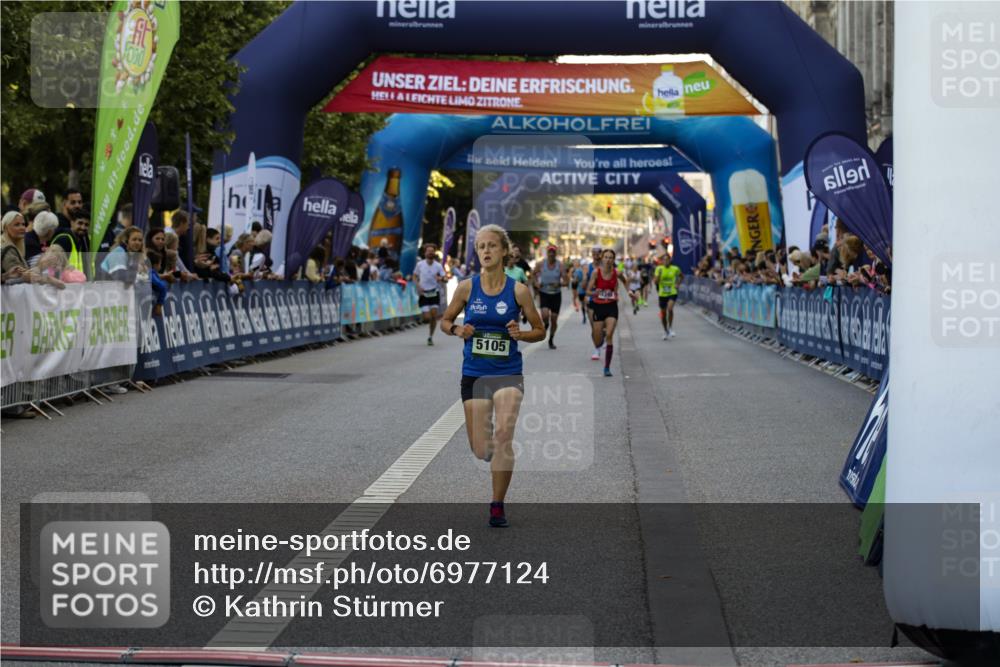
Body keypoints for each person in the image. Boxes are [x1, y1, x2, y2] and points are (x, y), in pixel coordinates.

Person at [439, 224, 545, 527]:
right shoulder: (466, 288)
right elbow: (445, 321)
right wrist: (459, 329)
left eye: (492, 246)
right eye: (481, 246)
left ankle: (497, 505)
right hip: (474, 373)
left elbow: (539, 331)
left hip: (508, 373)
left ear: (504, 251)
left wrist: (521, 334)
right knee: (481, 447)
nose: (485, 251)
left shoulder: (519, 291)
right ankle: (489, 455)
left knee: (503, 437)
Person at [585, 248, 635, 377]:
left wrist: (629, 292)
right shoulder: (596, 273)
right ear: (602, 258)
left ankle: (607, 367)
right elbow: (588, 291)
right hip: (598, 306)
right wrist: (594, 292)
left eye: (610, 257)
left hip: (611, 306)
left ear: (613, 260)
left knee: (610, 335)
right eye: (606, 257)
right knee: (597, 341)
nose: (608, 260)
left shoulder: (617, 273)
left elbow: (625, 281)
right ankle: (599, 342)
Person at [413, 243, 447, 345]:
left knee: (433, 315)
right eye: (428, 251)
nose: (430, 253)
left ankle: (430, 336)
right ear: (425, 253)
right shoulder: (420, 265)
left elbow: (445, 278)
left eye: (432, 252)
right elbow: (414, 276)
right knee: (427, 318)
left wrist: (441, 278)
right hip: (424, 293)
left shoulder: (438, 266)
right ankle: (425, 321)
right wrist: (418, 286)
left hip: (434, 292)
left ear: (434, 253)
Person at [533, 245, 565, 349]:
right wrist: (536, 283)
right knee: (545, 315)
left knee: (554, 319)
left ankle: (551, 339)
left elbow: (566, 280)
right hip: (544, 293)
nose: (551, 254)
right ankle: (545, 324)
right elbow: (533, 274)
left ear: (556, 253)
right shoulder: (541, 264)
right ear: (547, 253)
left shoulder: (560, 265)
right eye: (550, 252)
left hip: (556, 294)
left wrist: (560, 284)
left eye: (553, 252)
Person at [653, 253, 683, 339]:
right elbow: (655, 282)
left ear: (670, 260)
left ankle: (670, 328)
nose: (666, 261)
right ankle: (665, 330)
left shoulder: (675, 269)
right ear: (662, 261)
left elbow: (681, 276)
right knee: (663, 313)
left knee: (670, 308)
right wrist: (658, 275)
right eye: (664, 260)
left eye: (667, 259)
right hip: (662, 293)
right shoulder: (659, 269)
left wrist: (678, 284)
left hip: (672, 292)